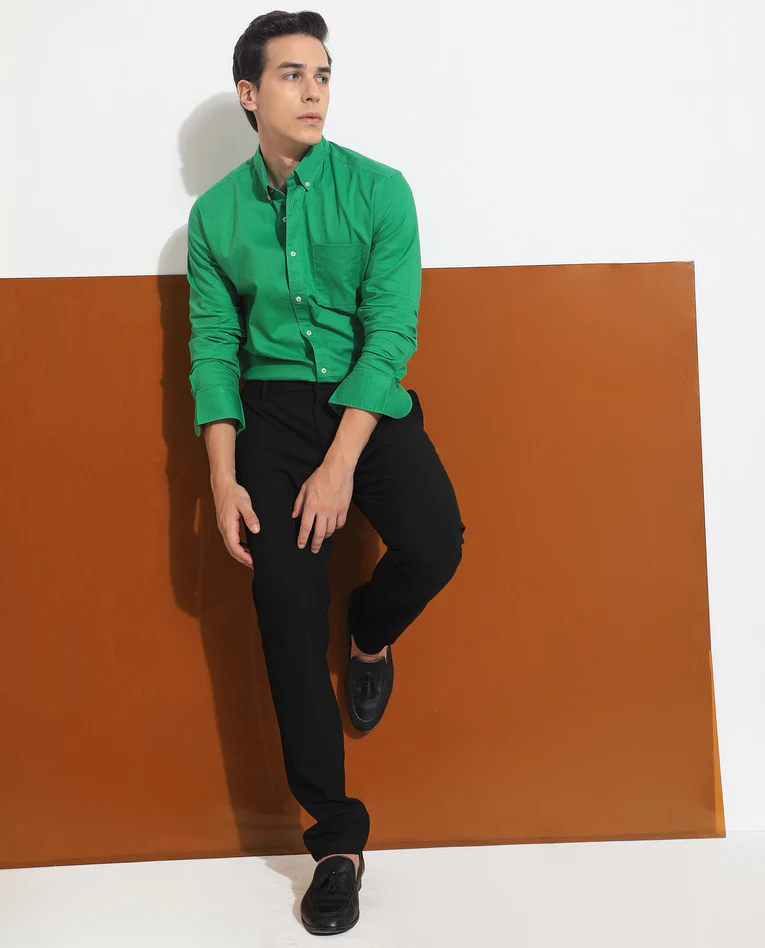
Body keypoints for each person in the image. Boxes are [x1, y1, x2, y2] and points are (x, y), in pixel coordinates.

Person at [186, 11, 466, 936]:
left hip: (364, 404)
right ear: (249, 94)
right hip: (267, 418)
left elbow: (390, 334)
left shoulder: (380, 191)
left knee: (434, 544)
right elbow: (214, 350)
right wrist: (222, 477)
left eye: (324, 75)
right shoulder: (214, 216)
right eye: (292, 75)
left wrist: (341, 461)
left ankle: (371, 633)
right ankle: (336, 843)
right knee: (283, 611)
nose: (314, 92)